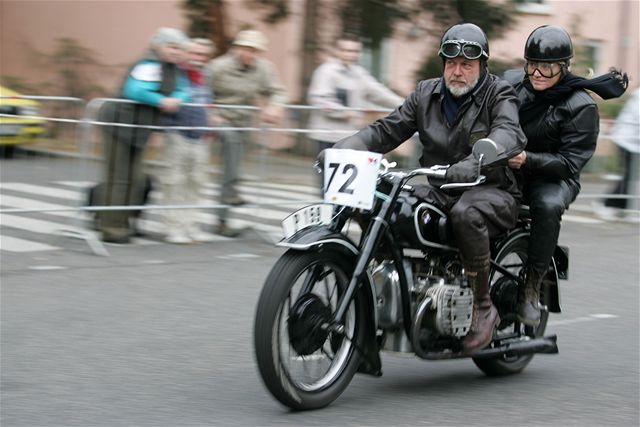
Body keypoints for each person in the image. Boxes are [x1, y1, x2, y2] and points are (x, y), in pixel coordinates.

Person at [329, 23, 526, 354]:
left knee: (466, 214)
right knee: (382, 204)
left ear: (482, 65)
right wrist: (346, 147)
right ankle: (377, 296)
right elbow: (387, 129)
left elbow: (509, 132)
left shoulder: (499, 93)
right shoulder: (426, 93)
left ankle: (482, 306)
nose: (458, 71)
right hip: (441, 186)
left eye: (467, 64)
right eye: (451, 63)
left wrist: (479, 158)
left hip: (491, 189)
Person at [505, 25, 628, 326]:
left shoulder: (581, 106)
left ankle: (531, 286)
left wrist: (527, 159)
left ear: (563, 67)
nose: (537, 73)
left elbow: (570, 163)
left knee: (547, 206)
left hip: (555, 177)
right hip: (509, 166)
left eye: (547, 67)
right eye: (532, 65)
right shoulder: (512, 85)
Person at [97, 27, 190, 243]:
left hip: (139, 128)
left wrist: (177, 97)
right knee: (118, 178)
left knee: (135, 179)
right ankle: (111, 227)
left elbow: (184, 89)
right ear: (159, 46)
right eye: (172, 46)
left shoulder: (173, 68)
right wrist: (162, 101)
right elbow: (135, 90)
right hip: (119, 123)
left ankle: (125, 221)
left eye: (179, 48)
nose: (176, 52)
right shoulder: (149, 63)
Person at [206, 29, 288, 237]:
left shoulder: (263, 69)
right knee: (230, 156)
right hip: (220, 121)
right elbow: (201, 92)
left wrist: (274, 106)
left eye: (255, 51)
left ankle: (223, 216)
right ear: (236, 48)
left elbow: (278, 91)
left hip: (244, 123)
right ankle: (230, 196)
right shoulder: (218, 67)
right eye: (246, 49)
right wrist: (211, 114)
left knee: (230, 170)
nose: (250, 55)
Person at [308, 34, 404, 193]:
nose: (350, 54)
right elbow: (320, 100)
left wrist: (409, 103)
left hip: (348, 139)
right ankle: (328, 216)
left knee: (346, 190)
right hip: (326, 138)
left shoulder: (359, 73)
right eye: (345, 50)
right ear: (337, 50)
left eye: (354, 51)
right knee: (327, 188)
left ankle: (338, 215)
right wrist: (346, 113)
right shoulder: (326, 72)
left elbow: (379, 93)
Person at [161, 38, 216, 244]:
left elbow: (208, 103)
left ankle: (191, 226)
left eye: (203, 55)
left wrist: (211, 126)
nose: (198, 58)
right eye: (194, 53)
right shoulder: (177, 74)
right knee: (174, 181)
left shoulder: (206, 76)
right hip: (178, 133)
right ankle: (173, 228)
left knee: (197, 182)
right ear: (186, 53)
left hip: (200, 135)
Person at [600, 87, 640, 220]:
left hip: (634, 142)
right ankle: (608, 204)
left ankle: (628, 208)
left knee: (632, 177)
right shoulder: (639, 95)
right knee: (629, 176)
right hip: (627, 141)